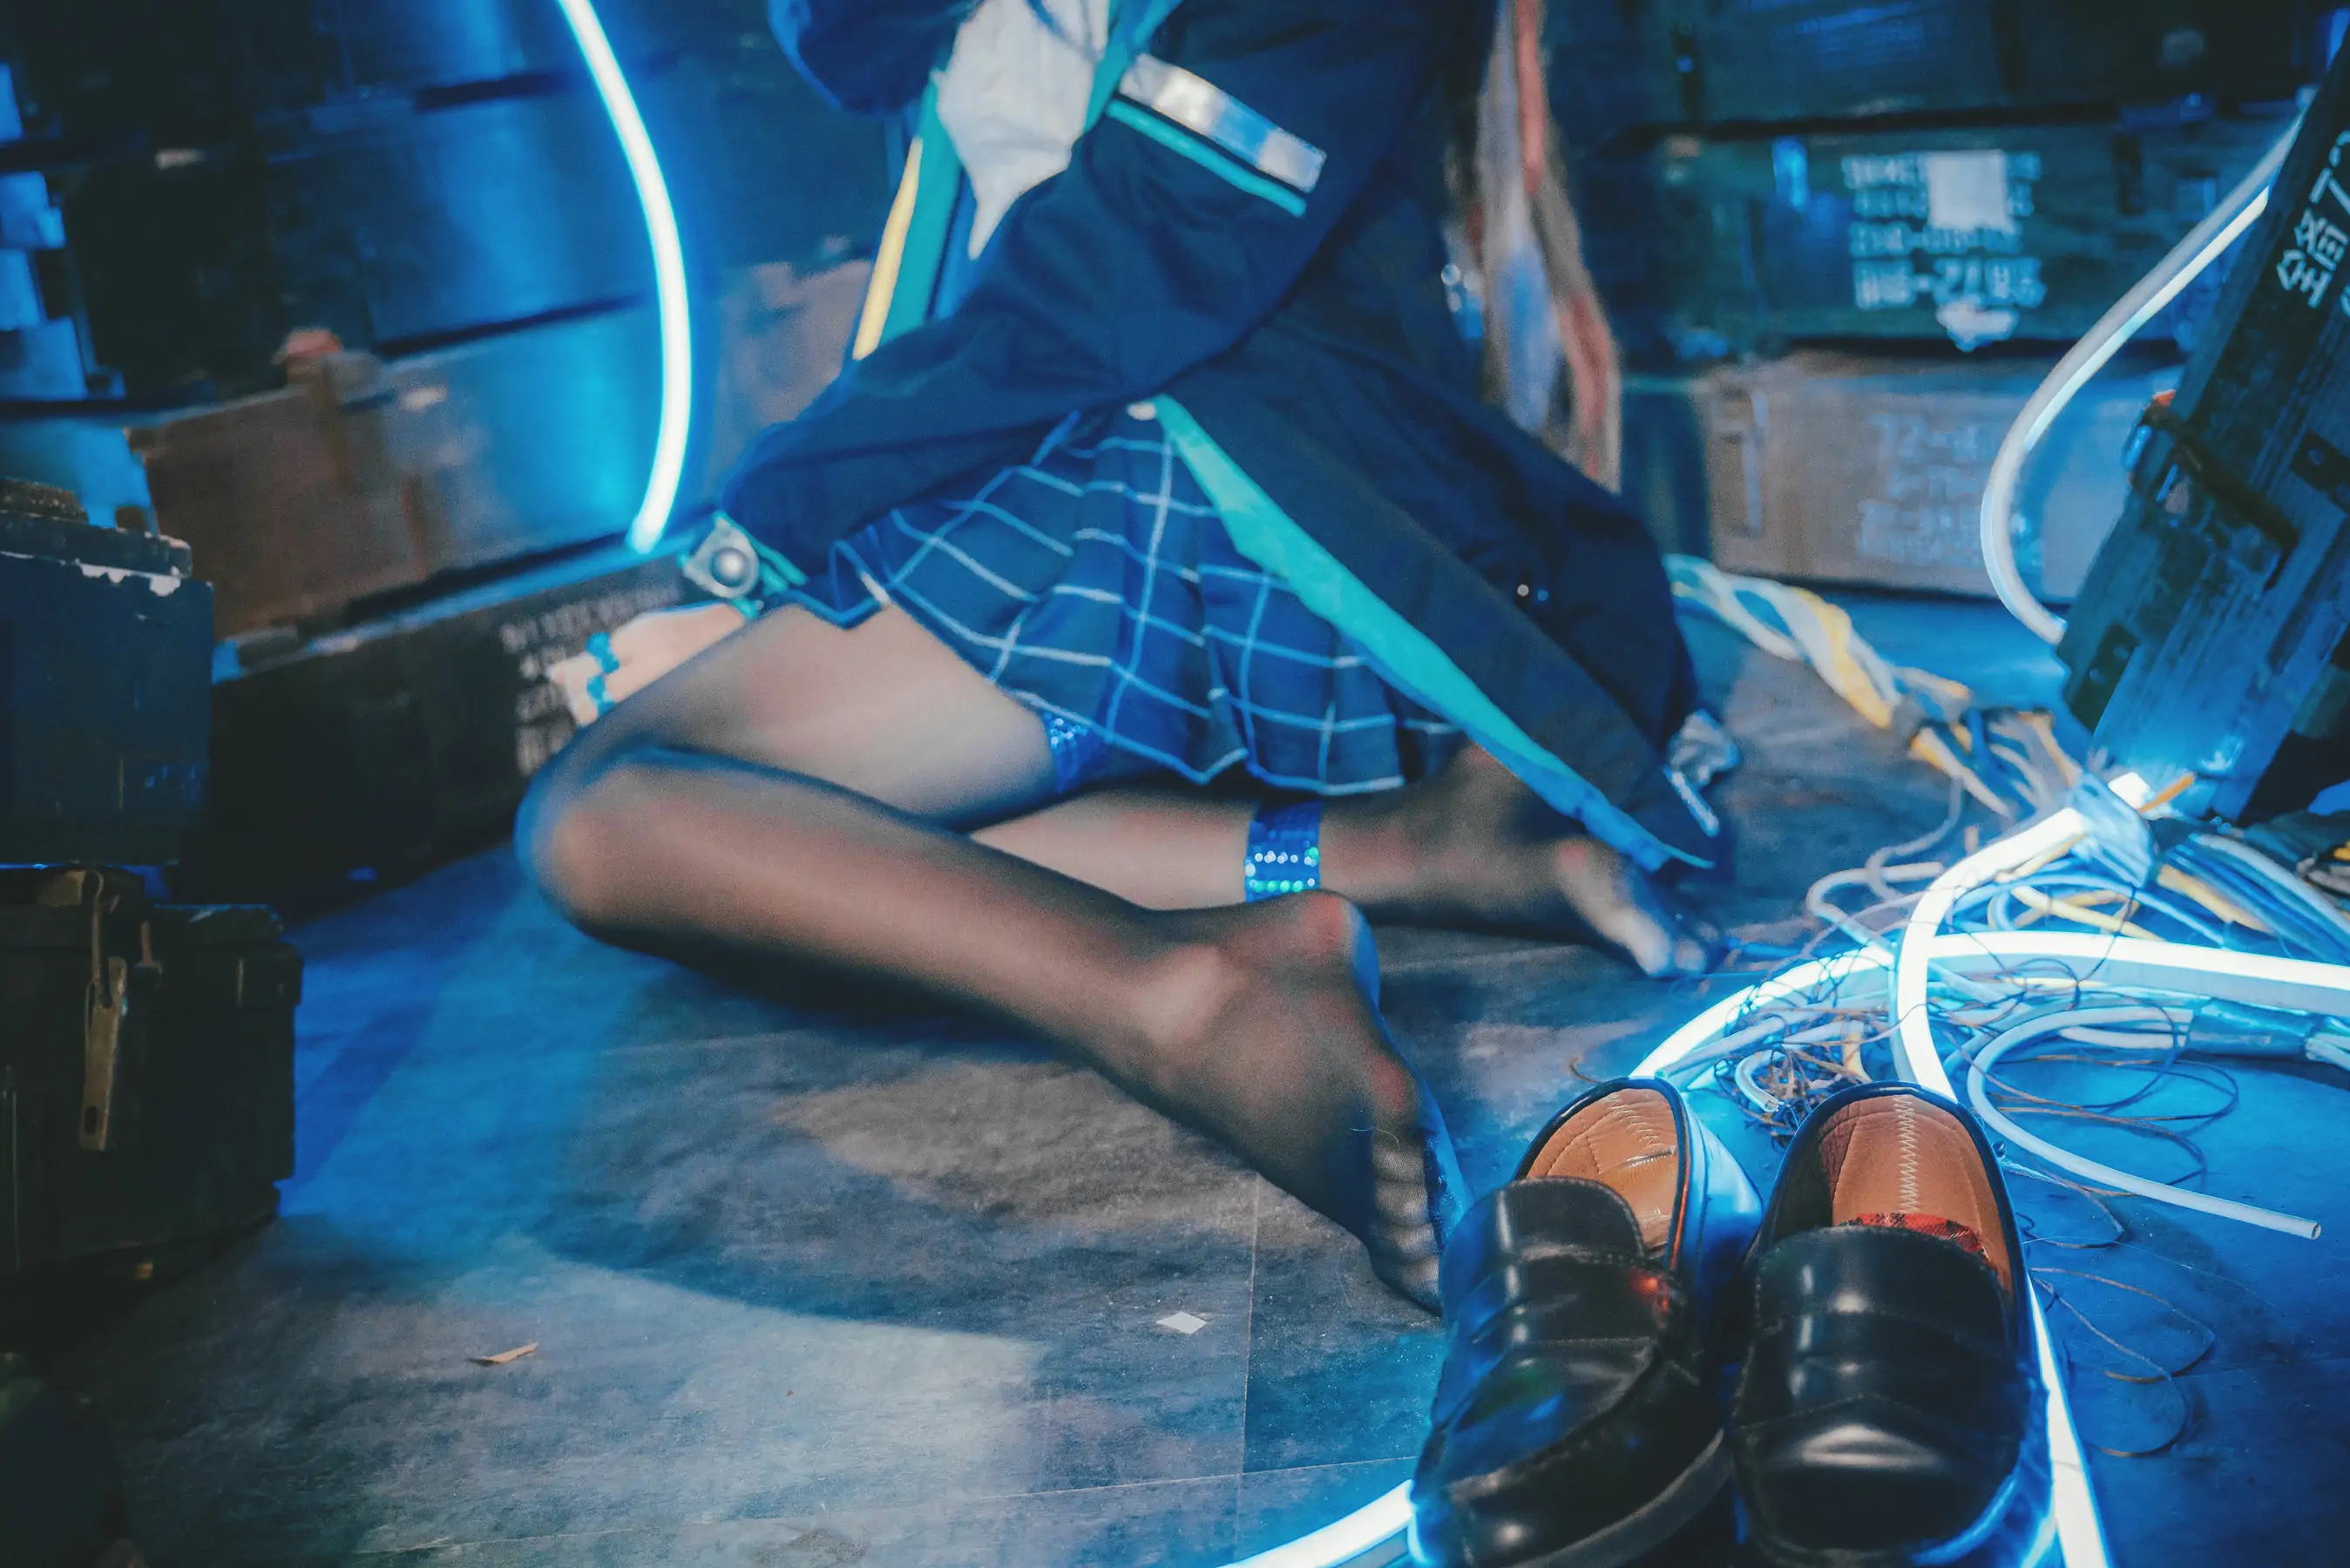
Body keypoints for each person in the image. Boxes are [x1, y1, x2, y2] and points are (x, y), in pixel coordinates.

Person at [521, 0, 1726, 1313]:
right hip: (1082, 451)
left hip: (1252, 488)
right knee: (809, 860)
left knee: (609, 814)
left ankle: (1186, 998)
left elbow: (1113, 276)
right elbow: (846, 47)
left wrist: (755, 553)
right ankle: (1417, 848)